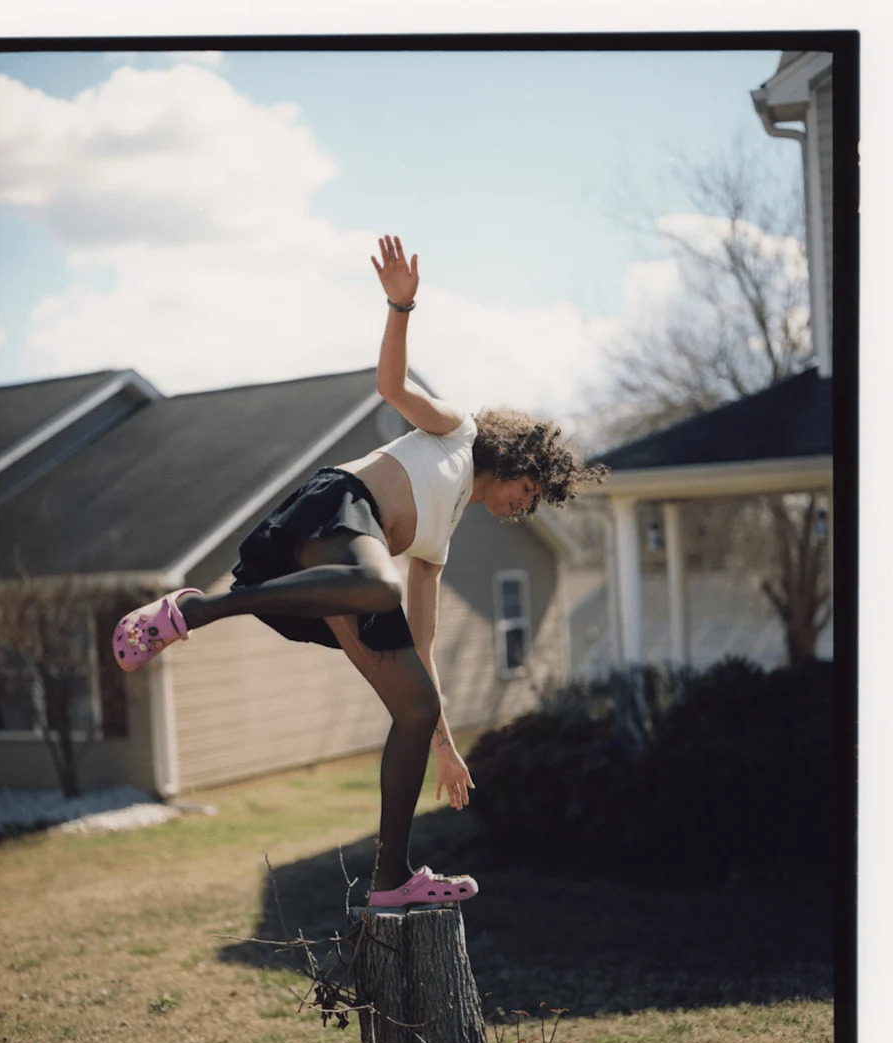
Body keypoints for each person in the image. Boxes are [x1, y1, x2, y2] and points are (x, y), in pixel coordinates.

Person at [113, 234, 606, 907]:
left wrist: (444, 746)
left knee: (415, 703)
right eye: (530, 493)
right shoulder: (458, 432)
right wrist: (400, 308)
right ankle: (194, 610)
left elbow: (422, 647)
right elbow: (392, 387)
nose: (525, 508)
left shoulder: (439, 540)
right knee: (379, 584)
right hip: (336, 510)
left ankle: (390, 879)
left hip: (345, 568)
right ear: (518, 464)